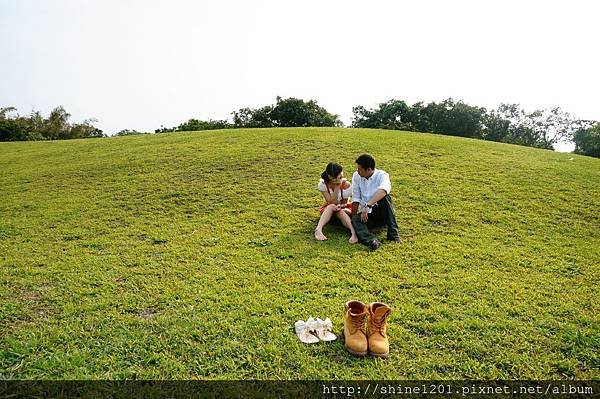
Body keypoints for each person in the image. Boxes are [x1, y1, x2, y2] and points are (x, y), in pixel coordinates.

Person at [351, 154, 400, 250]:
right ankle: (372, 241)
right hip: (367, 216)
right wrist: (353, 218)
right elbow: (356, 197)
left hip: (382, 213)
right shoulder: (356, 176)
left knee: (385, 198)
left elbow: (384, 190)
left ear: (369, 169)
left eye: (360, 169)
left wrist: (368, 205)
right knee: (356, 219)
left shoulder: (382, 175)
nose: (358, 171)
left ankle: (393, 234)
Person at [315, 162, 359, 244]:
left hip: (345, 209)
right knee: (331, 206)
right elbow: (331, 201)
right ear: (329, 176)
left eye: (340, 175)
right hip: (328, 210)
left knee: (340, 210)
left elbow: (345, 203)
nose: (338, 178)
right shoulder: (323, 185)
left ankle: (353, 233)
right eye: (335, 177)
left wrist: (339, 206)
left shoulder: (347, 185)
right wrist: (337, 186)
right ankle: (318, 230)